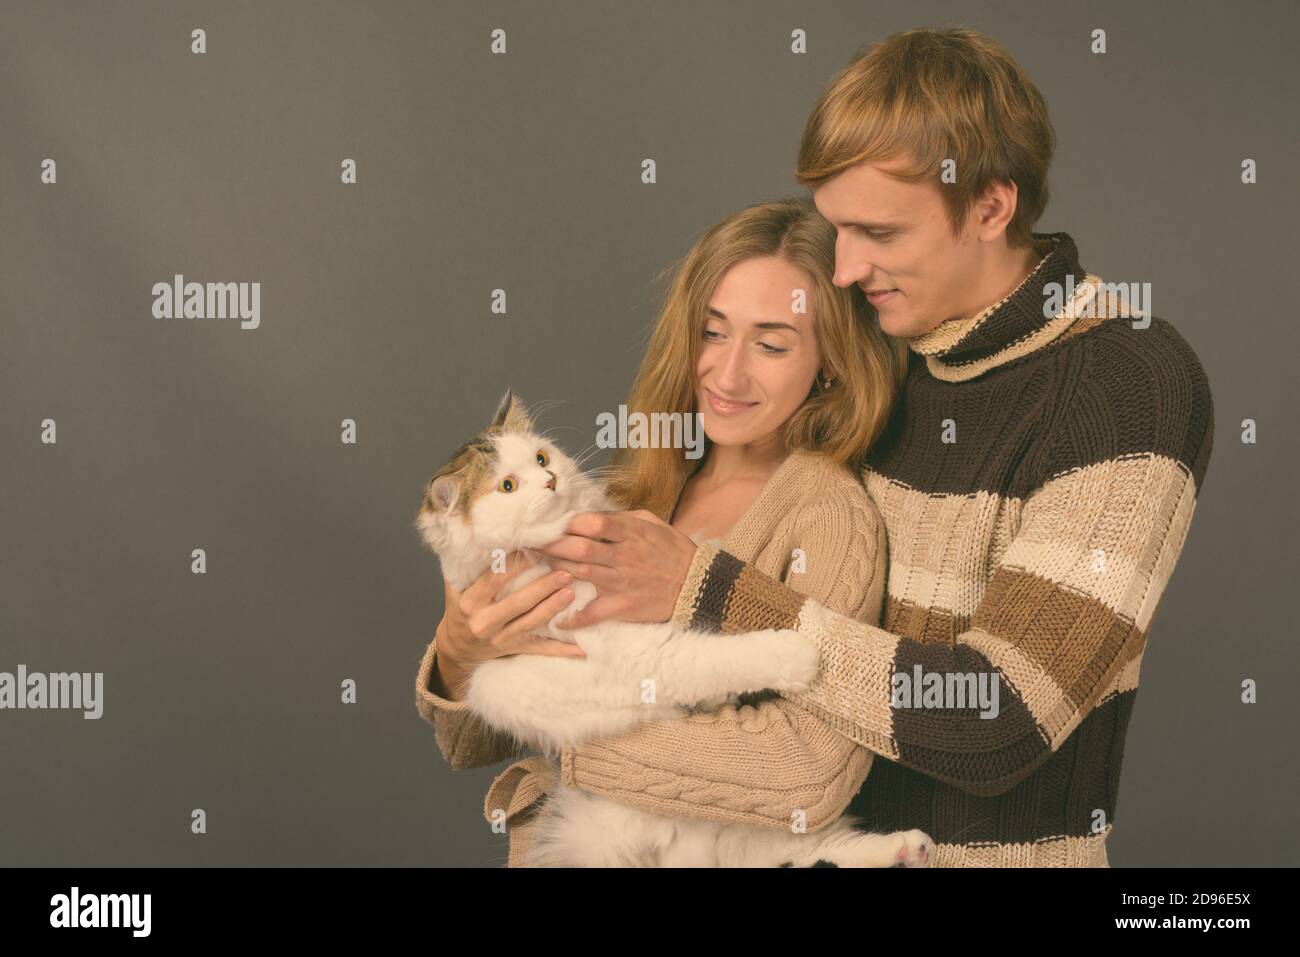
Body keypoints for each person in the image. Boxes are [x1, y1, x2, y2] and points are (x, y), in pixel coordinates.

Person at [485, 26, 1214, 867]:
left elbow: (1001, 714)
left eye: (879, 233)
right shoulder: (888, 353)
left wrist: (702, 590)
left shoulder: (1123, 382)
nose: (844, 271)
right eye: (838, 232)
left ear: (990, 206)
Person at [414, 197, 910, 865]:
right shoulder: (636, 484)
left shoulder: (828, 515)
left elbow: (806, 769)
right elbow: (470, 742)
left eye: (769, 343)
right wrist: (460, 653)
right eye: (712, 332)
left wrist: (575, 731)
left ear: (828, 360)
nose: (728, 373)